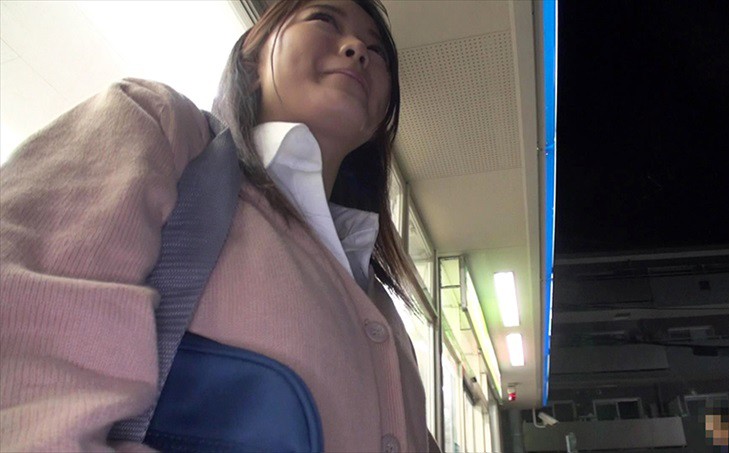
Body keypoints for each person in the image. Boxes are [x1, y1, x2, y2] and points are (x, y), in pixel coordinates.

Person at [0, 0, 435, 451]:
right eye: (324, 19)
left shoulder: (379, 304)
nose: (357, 49)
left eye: (376, 50)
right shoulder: (164, 130)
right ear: (252, 61)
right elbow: (25, 351)